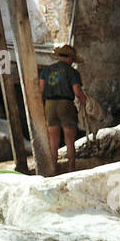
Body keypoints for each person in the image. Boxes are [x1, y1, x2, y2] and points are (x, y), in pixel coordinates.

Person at [38, 44, 88, 175]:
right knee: (69, 140)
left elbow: (41, 90)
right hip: (65, 105)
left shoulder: (46, 71)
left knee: (53, 142)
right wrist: (87, 105)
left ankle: (53, 169)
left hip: (49, 105)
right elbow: (77, 92)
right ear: (71, 58)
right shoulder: (72, 72)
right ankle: (72, 170)